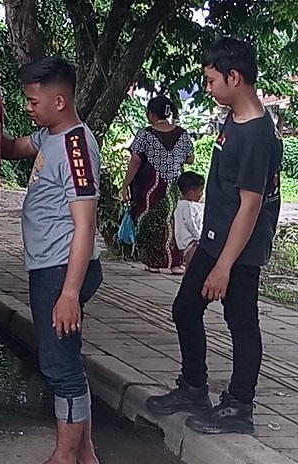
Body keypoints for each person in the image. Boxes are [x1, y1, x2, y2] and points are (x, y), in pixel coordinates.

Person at [146, 37, 282, 435]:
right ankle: (193, 388)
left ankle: (239, 406)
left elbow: (251, 206)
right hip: (214, 237)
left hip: (240, 249)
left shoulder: (258, 134)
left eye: (210, 80)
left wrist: (224, 265)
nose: (207, 88)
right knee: (185, 308)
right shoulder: (232, 118)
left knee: (241, 322)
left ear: (234, 77)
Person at [2, 57, 104, 464]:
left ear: (59, 101)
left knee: (60, 366)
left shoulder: (77, 150)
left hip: (62, 270)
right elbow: (14, 147)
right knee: (67, 360)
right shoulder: (50, 135)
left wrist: (69, 292)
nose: (28, 106)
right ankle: (86, 452)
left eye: (32, 100)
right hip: (51, 267)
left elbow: (85, 225)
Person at [119, 96, 195, 274]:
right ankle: (176, 263)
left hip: (149, 188)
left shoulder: (144, 134)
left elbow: (135, 161)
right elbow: (191, 159)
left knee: (150, 221)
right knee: (174, 221)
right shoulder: (182, 134)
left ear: (152, 114)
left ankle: (154, 262)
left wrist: (125, 184)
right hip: (174, 186)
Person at [173, 171, 205, 269]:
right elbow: (190, 222)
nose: (201, 194)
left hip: (186, 241)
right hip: (191, 241)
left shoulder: (181, 204)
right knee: (192, 267)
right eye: (200, 191)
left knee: (190, 266)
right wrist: (198, 236)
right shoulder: (187, 205)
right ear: (191, 192)